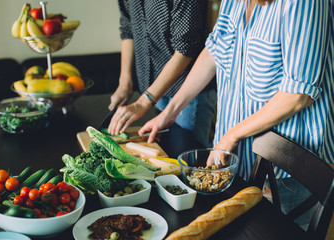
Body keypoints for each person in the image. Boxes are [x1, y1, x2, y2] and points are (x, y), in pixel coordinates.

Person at [139, 0, 334, 228]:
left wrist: (231, 136)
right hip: (238, 160)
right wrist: (170, 112)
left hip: (285, 168)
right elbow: (213, 51)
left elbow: (298, 94)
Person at [107, 0, 216, 147]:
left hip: (188, 90)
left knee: (185, 163)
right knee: (165, 156)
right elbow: (127, 27)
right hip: (153, 89)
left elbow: (186, 48)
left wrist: (144, 101)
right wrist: (124, 83)